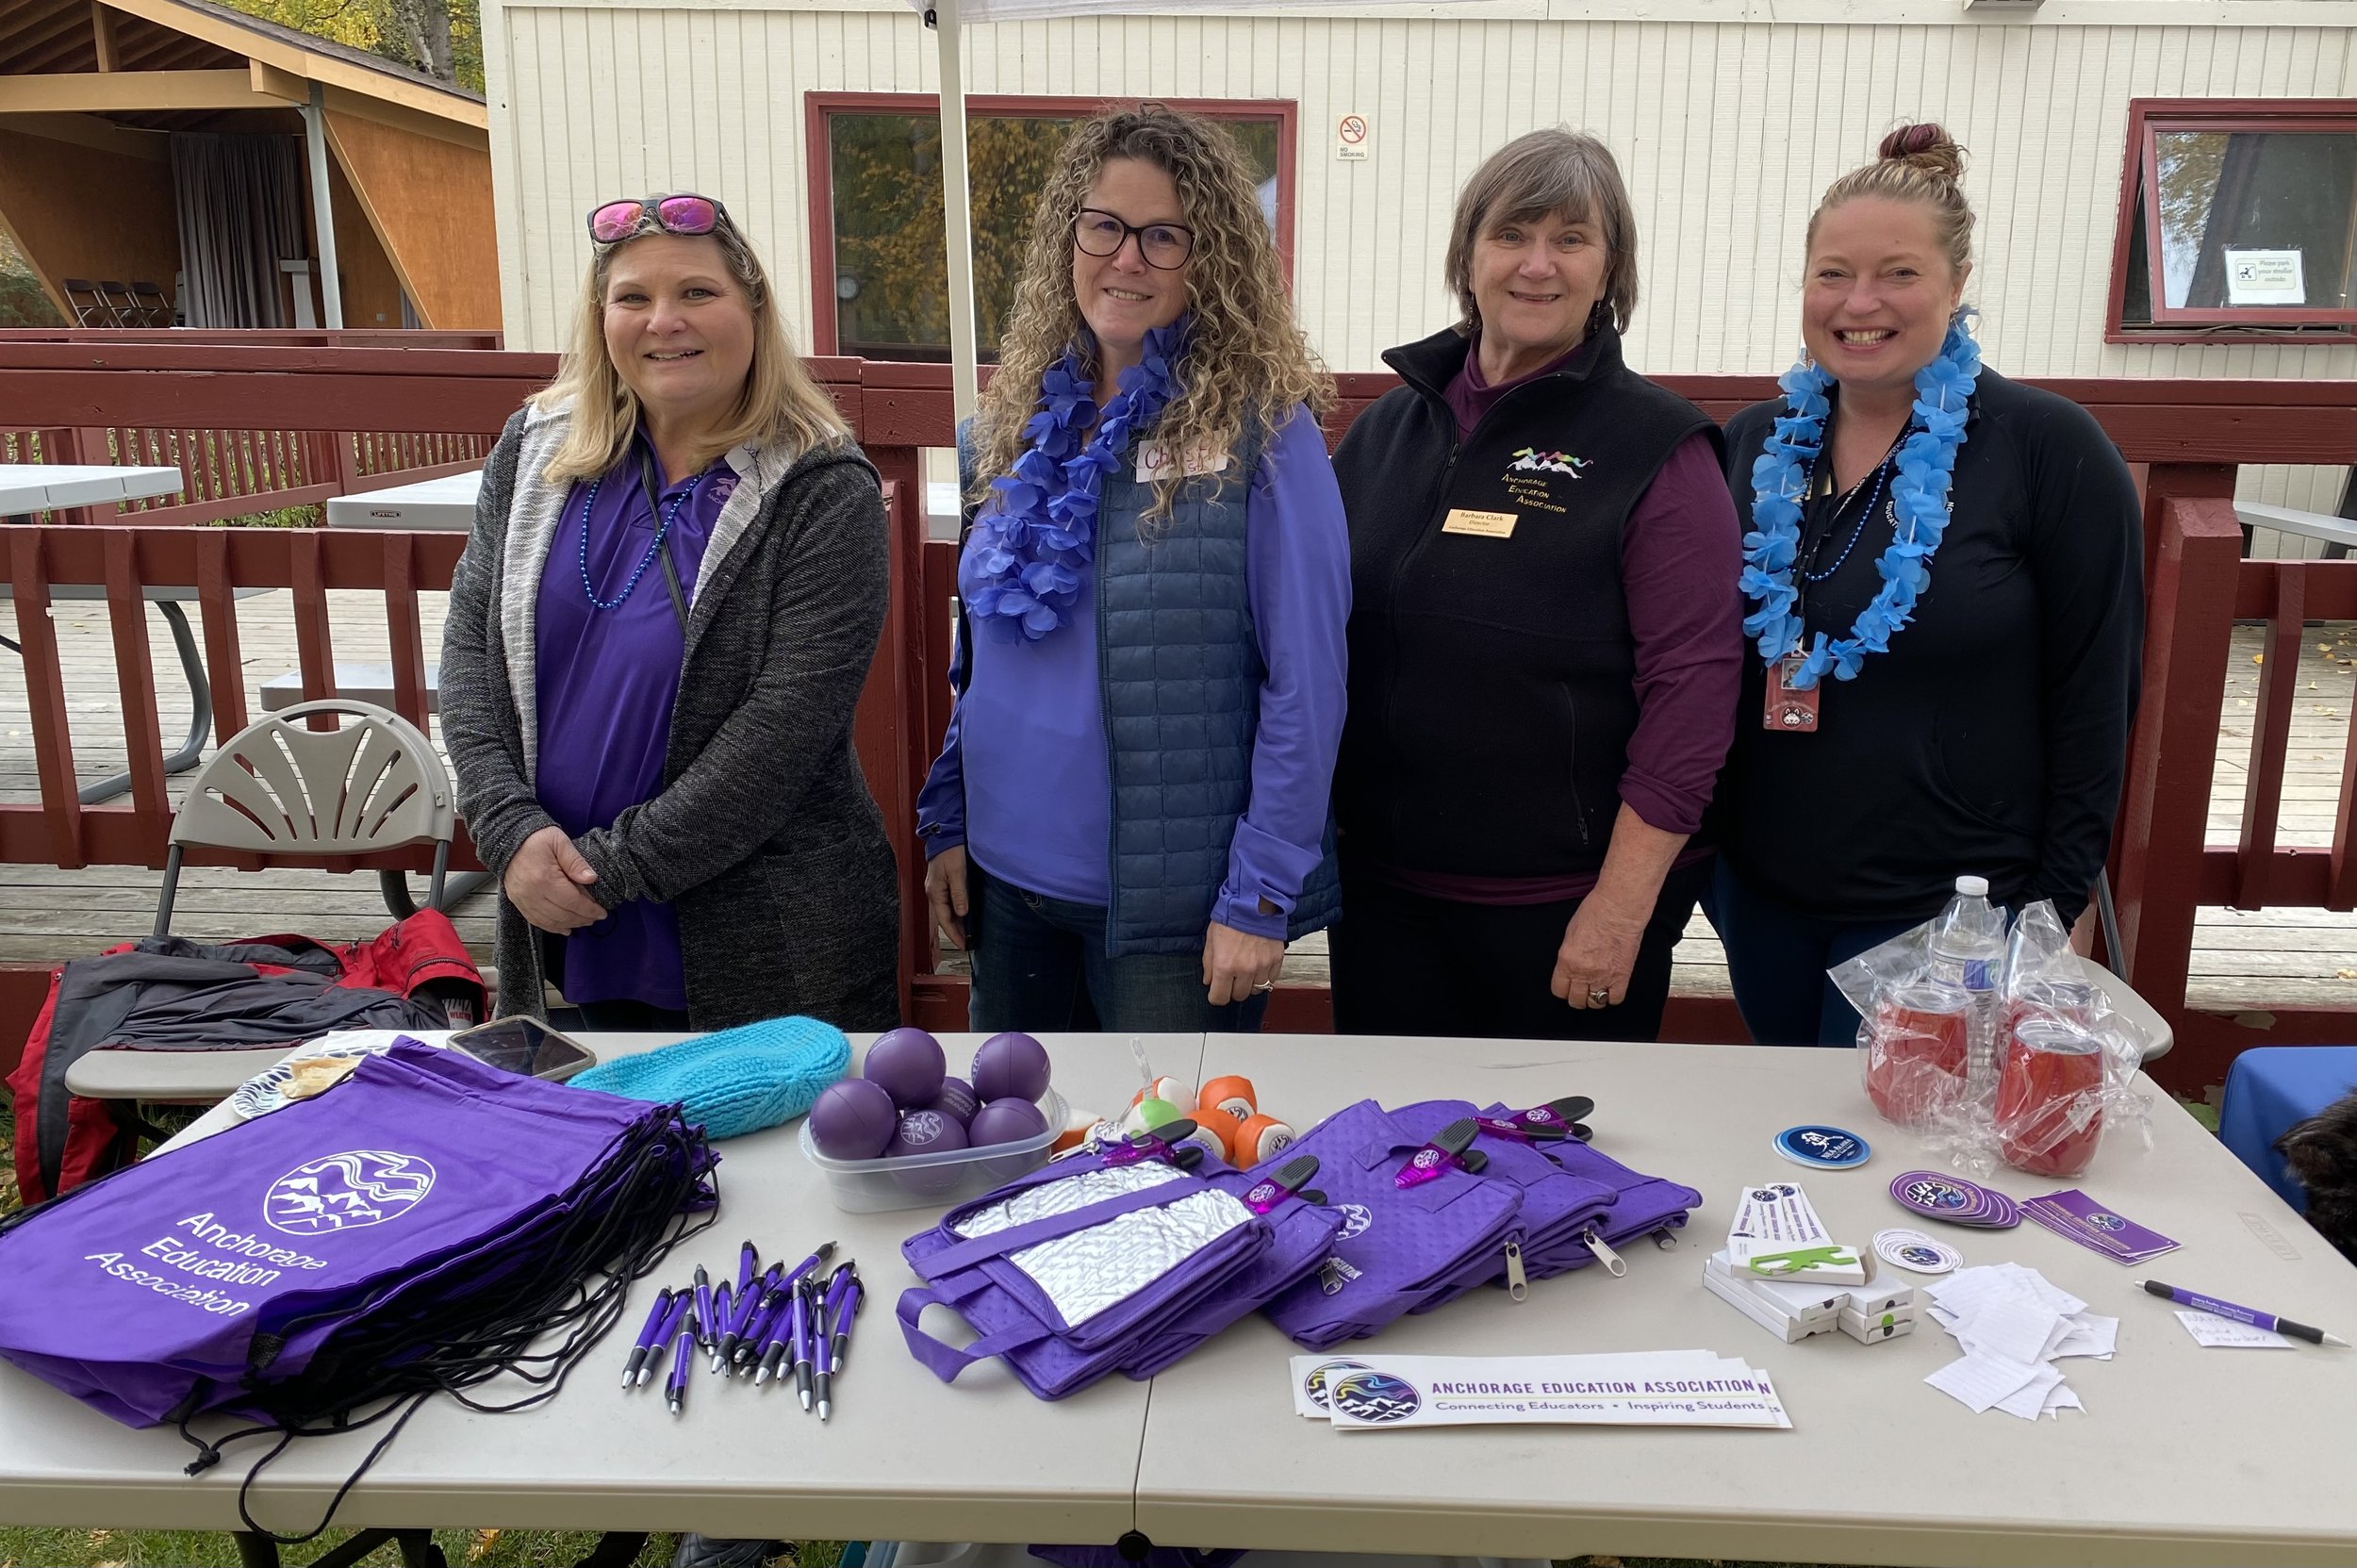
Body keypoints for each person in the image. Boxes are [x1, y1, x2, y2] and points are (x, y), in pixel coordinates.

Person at [916, 105, 1350, 1033]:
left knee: (1162, 1173)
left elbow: (1307, 684)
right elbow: (980, 658)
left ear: (1211, 258)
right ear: (1067, 235)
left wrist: (1262, 894)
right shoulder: (1008, 427)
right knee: (1023, 1161)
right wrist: (947, 820)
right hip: (1004, 889)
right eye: (1105, 226)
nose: (1127, 259)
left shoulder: (1265, 435)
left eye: (1164, 236)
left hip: (1170, 920)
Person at [1708, 124, 2144, 1046]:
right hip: (1762, 897)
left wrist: (2054, 903)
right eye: (1831, 274)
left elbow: (2096, 692)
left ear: (1957, 281)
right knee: (1800, 1143)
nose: (1858, 302)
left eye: (1897, 274)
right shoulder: (1755, 445)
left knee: (1900, 1167)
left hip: (1948, 919)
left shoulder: (2046, 449)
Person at [440, 191, 898, 1036]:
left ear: (753, 308)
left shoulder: (823, 489)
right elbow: (472, 650)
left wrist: (600, 872)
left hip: (763, 940)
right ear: (600, 318)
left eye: (697, 292)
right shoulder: (533, 447)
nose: (664, 321)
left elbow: (783, 732)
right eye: (633, 298)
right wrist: (508, 831)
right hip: (563, 922)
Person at [1327, 128, 1743, 1042]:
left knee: (1557, 1178)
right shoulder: (1383, 432)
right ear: (1467, 254)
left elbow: (1695, 691)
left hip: (1563, 913)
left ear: (1610, 270)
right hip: (1385, 901)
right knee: (1392, 1164)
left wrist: (1620, 910)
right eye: (1512, 234)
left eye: (1570, 238)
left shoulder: (1655, 448)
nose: (1536, 264)